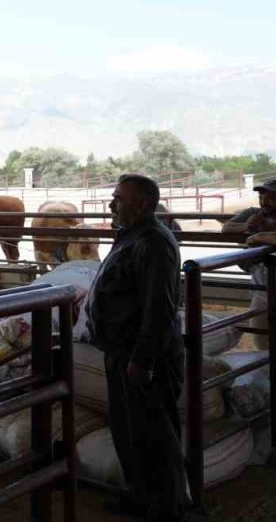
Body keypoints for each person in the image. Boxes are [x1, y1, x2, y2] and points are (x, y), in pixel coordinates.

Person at [83, 174, 188, 522]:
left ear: (141, 204)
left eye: (118, 198)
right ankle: (140, 497)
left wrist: (142, 359)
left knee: (154, 434)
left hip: (143, 356)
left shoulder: (154, 242)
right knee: (130, 431)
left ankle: (166, 508)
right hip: (122, 351)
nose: (111, 204)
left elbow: (159, 307)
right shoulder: (133, 236)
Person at [223, 179, 276, 348]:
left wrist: (264, 231)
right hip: (262, 291)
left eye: (270, 198)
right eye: (262, 196)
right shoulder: (253, 213)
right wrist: (246, 226)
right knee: (263, 342)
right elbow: (227, 227)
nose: (264, 201)